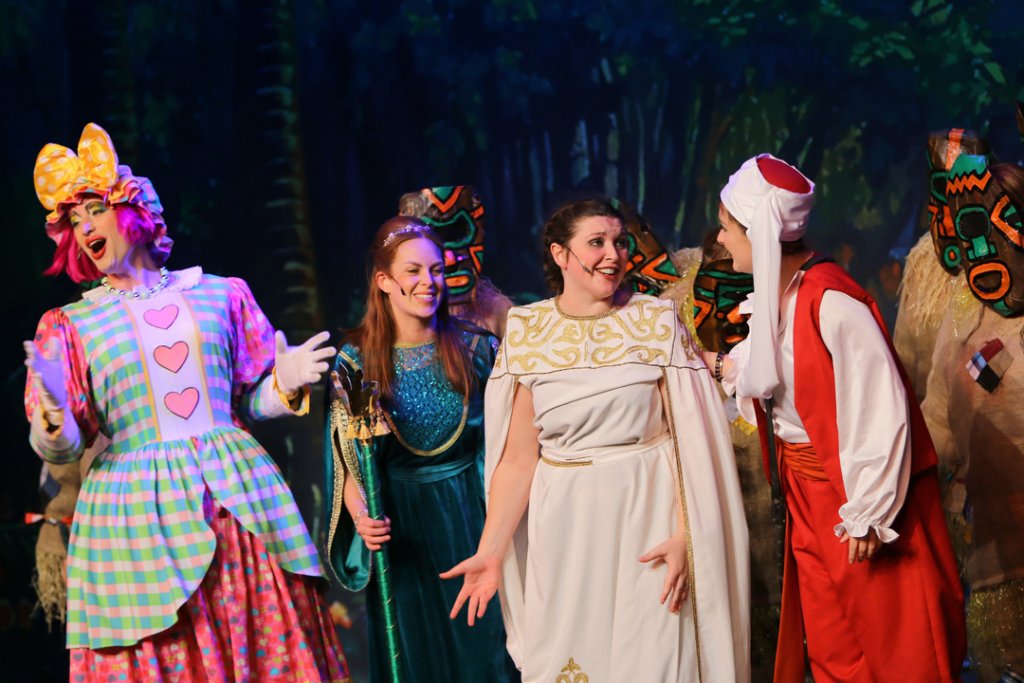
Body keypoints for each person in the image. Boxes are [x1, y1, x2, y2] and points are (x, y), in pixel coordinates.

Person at [23, 123, 349, 682]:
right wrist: (52, 413)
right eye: (74, 221)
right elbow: (64, 447)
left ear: (134, 211)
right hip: (133, 513)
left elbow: (247, 404)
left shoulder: (221, 294)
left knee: (257, 641)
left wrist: (286, 383)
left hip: (234, 500)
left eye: (95, 210)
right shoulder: (70, 326)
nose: (85, 228)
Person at [441, 198, 750, 682]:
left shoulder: (654, 320)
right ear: (560, 254)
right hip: (568, 523)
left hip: (649, 514)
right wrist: (491, 550)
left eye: (620, 242)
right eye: (597, 242)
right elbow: (518, 461)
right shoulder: (527, 330)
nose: (614, 254)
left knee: (654, 661)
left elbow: (692, 439)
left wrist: (687, 535)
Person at [711, 153, 965, 682]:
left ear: (758, 233)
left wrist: (868, 511)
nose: (720, 239)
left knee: (895, 646)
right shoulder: (781, 297)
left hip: (851, 495)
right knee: (833, 644)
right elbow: (768, 378)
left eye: (727, 227)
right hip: (806, 493)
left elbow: (881, 411)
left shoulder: (830, 302)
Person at [323, 216, 517, 682]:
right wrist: (363, 517)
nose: (428, 281)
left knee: (487, 653)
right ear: (384, 281)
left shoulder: (477, 350)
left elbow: (511, 446)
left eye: (435, 270)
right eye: (412, 271)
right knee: (418, 658)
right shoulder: (355, 363)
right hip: (403, 530)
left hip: (472, 515)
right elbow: (349, 462)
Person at [917, 143, 1024, 681]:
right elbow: (937, 420)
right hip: (991, 557)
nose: (981, 248)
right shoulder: (963, 310)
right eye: (969, 229)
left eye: (995, 226)